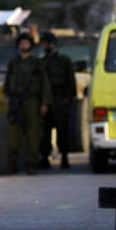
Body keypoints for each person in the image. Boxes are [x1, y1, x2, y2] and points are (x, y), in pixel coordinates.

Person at [3, 33, 52, 175]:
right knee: (13, 134)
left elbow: (45, 84)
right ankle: (12, 163)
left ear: (30, 45)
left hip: (32, 101)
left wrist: (44, 103)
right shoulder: (13, 62)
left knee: (33, 134)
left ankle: (32, 163)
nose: (24, 45)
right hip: (15, 101)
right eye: (22, 43)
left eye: (26, 43)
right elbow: (7, 81)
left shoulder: (36, 63)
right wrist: (7, 96)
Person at [39, 31, 76, 169]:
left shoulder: (64, 61)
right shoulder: (41, 62)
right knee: (44, 132)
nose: (44, 46)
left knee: (62, 131)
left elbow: (71, 82)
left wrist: (67, 99)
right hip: (46, 100)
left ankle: (65, 157)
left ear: (53, 44)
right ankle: (44, 158)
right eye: (42, 44)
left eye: (45, 43)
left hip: (60, 99)